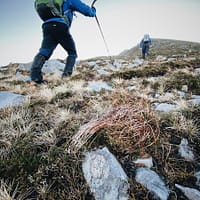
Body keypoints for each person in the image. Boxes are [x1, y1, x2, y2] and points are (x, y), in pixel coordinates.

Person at [30, 0, 96, 85]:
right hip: (60, 26)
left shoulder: (41, 2)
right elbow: (87, 11)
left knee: (44, 52)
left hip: (47, 27)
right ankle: (66, 78)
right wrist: (93, 11)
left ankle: (35, 79)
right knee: (72, 53)